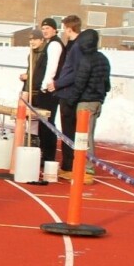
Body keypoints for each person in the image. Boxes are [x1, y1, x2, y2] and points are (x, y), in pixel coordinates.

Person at [66, 29, 110, 184]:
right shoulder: (104, 59)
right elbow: (107, 84)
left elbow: (80, 83)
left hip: (86, 102)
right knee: (88, 134)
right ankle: (84, 165)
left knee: (85, 136)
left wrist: (71, 100)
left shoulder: (86, 60)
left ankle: (88, 166)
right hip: (97, 101)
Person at [50, 14, 83, 179]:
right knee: (67, 131)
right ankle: (67, 164)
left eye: (64, 29)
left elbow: (73, 72)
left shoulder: (77, 47)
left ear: (70, 29)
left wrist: (57, 84)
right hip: (66, 92)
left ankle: (70, 166)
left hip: (70, 94)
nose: (63, 32)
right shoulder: (71, 45)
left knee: (70, 131)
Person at [35, 17, 64, 164]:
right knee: (44, 124)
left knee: (47, 124)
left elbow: (52, 66)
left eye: (47, 28)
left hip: (49, 90)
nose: (45, 31)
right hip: (47, 88)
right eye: (43, 28)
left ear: (54, 29)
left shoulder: (54, 45)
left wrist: (45, 85)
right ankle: (45, 154)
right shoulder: (50, 44)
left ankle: (48, 156)